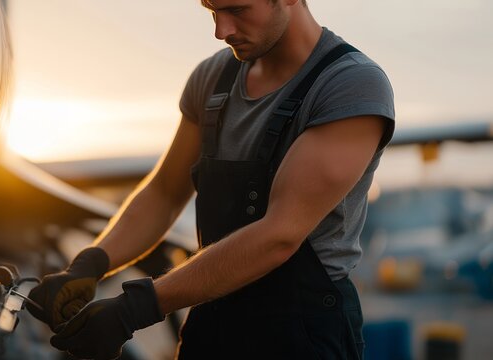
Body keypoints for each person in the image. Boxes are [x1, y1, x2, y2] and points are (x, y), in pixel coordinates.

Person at [27, 0, 395, 358]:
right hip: (210, 321)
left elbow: (278, 235)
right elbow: (165, 193)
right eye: (211, 10)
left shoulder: (351, 85)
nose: (221, 31)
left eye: (236, 10)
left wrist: (134, 308)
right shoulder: (212, 79)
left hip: (301, 335)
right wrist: (90, 264)